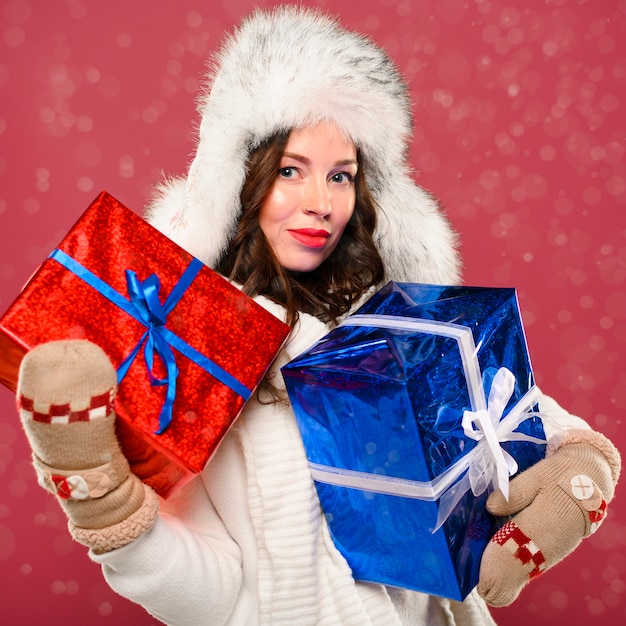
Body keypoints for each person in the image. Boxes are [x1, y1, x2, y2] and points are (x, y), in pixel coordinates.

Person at [15, 6, 621, 625]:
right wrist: (108, 507)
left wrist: (579, 469)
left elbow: (507, 414)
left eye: (341, 176)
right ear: (239, 181)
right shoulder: (195, 348)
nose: (320, 204)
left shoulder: (401, 323)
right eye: (289, 171)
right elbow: (215, 598)